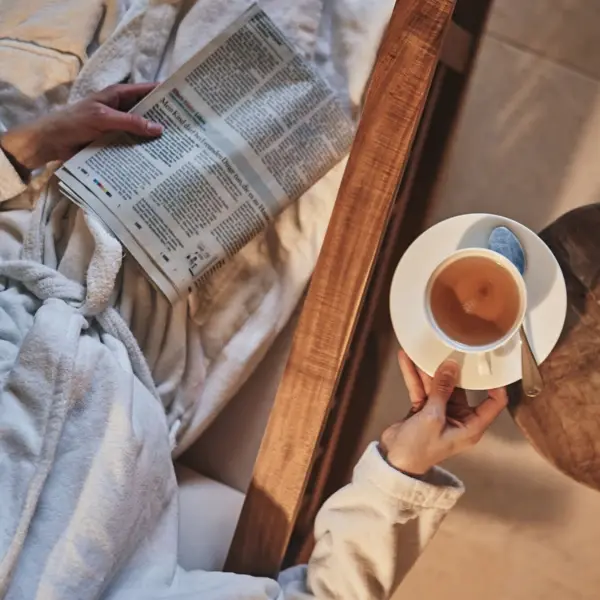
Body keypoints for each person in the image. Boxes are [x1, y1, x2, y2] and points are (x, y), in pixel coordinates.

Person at [0, 86, 508, 599]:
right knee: (329, 111)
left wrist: (26, 145)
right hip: (133, 344)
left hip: (32, 215)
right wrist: (401, 472)